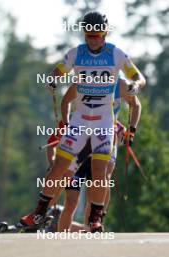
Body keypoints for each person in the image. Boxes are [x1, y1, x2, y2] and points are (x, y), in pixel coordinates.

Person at [20, 11, 146, 232]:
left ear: (105, 32)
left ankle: (95, 218)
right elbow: (58, 71)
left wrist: (135, 85)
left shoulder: (115, 53)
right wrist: (52, 80)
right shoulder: (75, 53)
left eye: (97, 34)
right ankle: (39, 213)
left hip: (104, 122)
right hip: (79, 121)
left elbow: (139, 77)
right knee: (58, 167)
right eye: (88, 34)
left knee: (100, 171)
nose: (93, 38)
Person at [58, 78, 141, 232]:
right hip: (81, 144)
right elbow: (65, 101)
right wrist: (67, 125)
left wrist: (131, 131)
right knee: (71, 201)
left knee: (103, 180)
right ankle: (60, 237)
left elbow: (136, 105)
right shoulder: (86, 79)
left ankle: (93, 225)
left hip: (105, 140)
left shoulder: (119, 84)